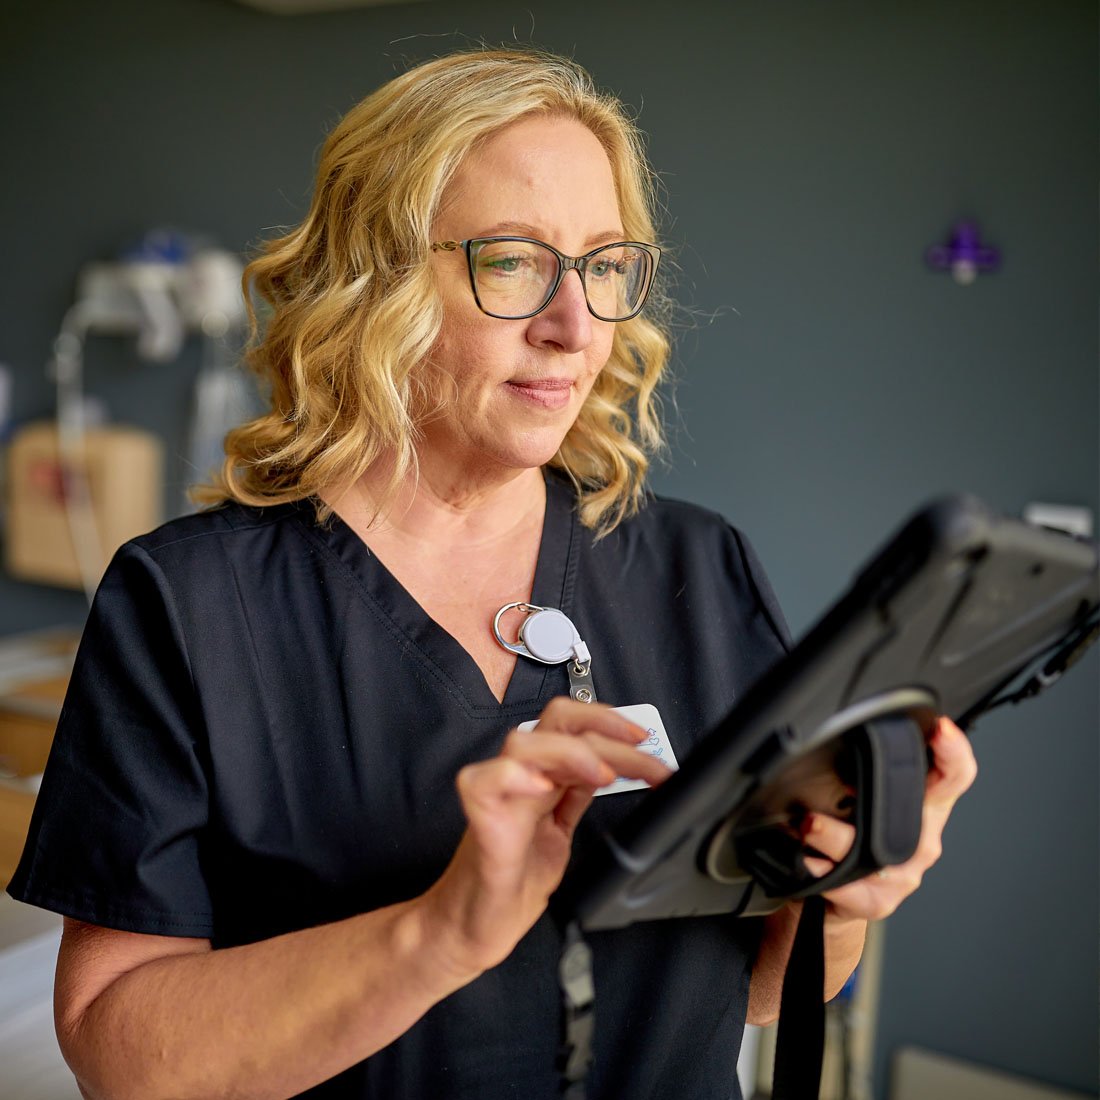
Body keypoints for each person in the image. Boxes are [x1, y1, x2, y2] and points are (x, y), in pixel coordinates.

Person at [8, 48, 977, 1100]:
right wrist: (439, 929)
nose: (574, 327)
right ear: (371, 277)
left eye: (604, 266)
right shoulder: (190, 605)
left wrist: (848, 894)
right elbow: (119, 1052)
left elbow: (748, 984)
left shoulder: (695, 566)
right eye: (513, 261)